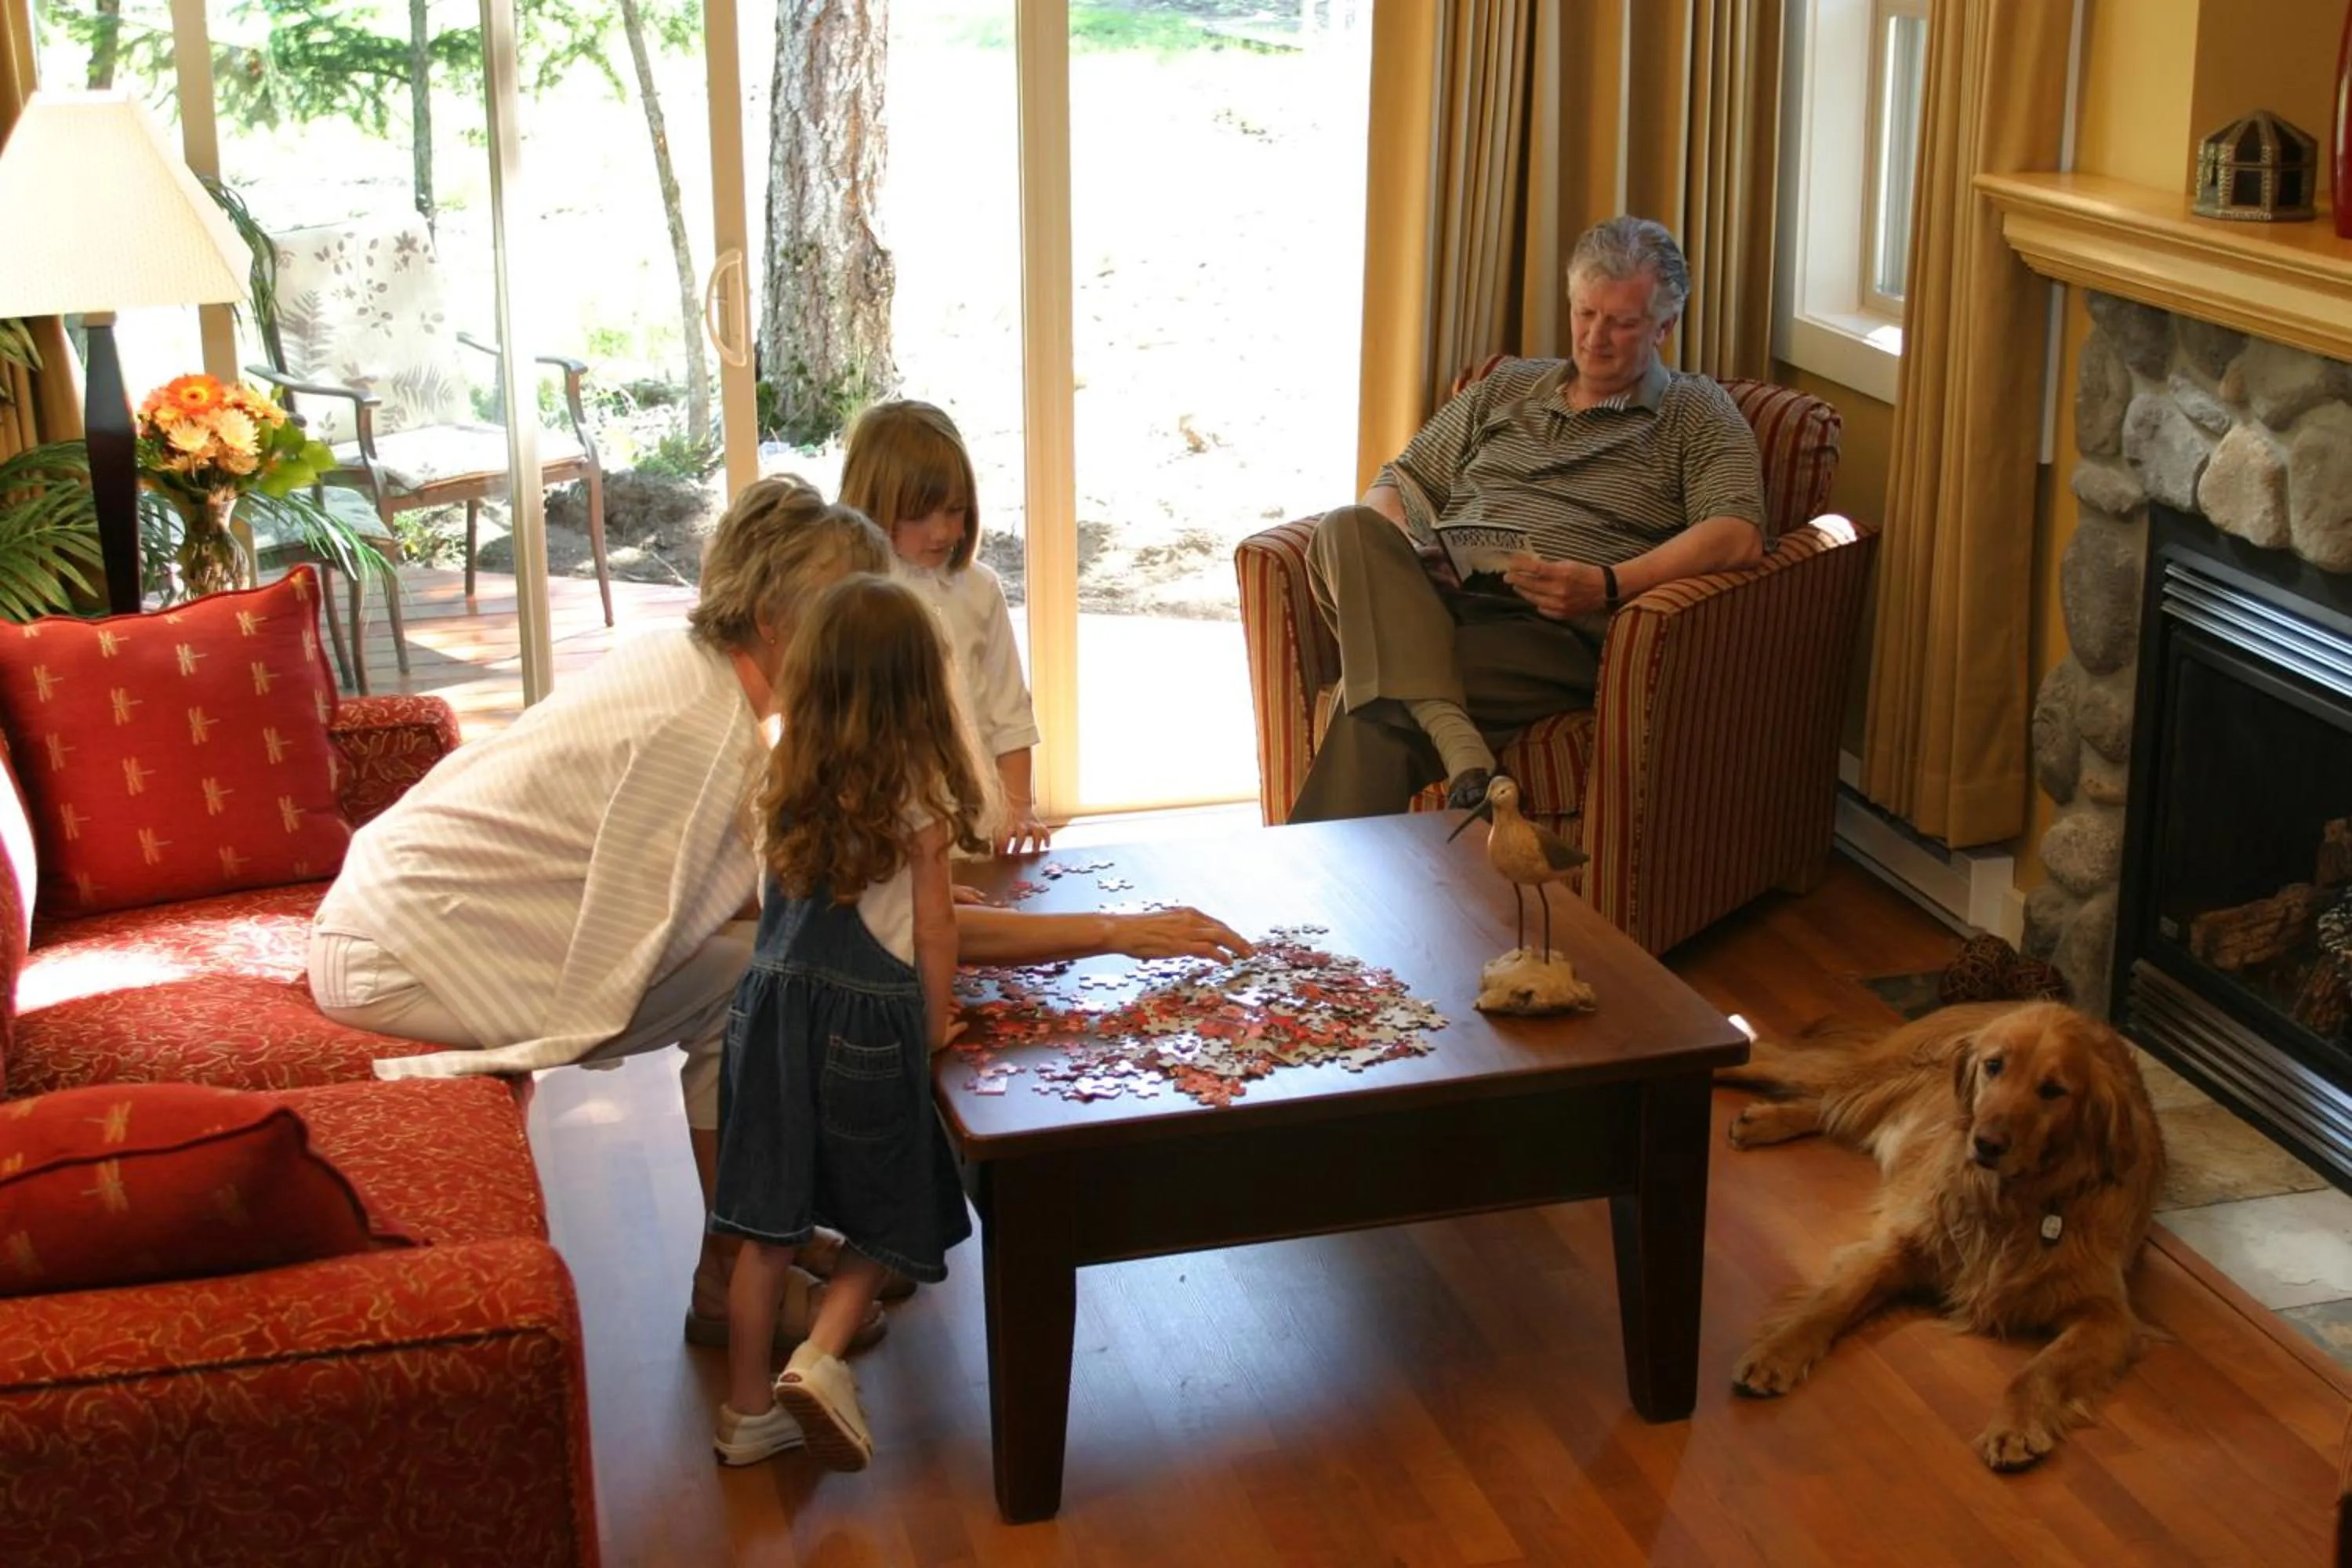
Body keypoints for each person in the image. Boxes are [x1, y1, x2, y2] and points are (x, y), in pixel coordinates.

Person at [307, 474, 1250, 1355]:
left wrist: (914, 895)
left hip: (407, 909)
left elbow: (787, 899)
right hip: (411, 949)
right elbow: (841, 942)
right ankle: (731, 1272)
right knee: (749, 992)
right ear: (773, 619)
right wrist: (1112, 930)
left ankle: (769, 1236)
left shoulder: (697, 670)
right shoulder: (704, 733)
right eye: (842, 618)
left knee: (759, 965)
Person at [1287, 215, 1768, 823]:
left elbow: (1737, 533)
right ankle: (1458, 747)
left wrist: (1608, 583)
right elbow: (1397, 486)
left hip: (1548, 630)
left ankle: (1318, 880)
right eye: (1585, 313)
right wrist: (1413, 549)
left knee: (1374, 704)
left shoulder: (1694, 411)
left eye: (1621, 323)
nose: (1595, 338)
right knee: (1346, 525)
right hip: (1443, 602)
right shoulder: (1506, 386)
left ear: (1664, 327)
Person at [710, 572, 988, 1468]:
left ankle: (746, 1412)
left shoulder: (780, 770)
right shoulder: (916, 789)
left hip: (765, 1018)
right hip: (866, 1028)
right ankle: (821, 1353)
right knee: (894, 1201)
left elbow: (771, 906)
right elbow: (936, 929)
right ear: (919, 687)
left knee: (765, 1231)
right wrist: (933, 1025)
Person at [840, 398, 1051, 855]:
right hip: (890, 843)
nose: (940, 533)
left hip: (977, 831)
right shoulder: (852, 600)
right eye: (918, 516)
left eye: (954, 511)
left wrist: (1019, 808)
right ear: (870, 505)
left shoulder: (981, 589)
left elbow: (1010, 711)